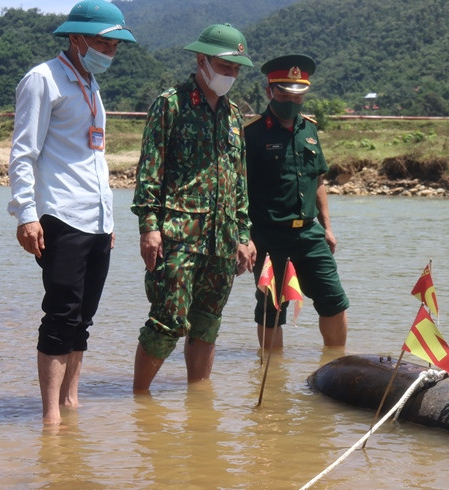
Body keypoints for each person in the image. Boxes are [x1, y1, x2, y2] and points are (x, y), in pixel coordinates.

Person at [7, 0, 136, 424]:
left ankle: (71, 402)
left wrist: (109, 220)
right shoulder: (43, 80)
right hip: (60, 216)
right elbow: (23, 154)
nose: (109, 52)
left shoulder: (91, 84)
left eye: (115, 45)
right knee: (61, 315)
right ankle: (50, 420)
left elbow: (92, 159)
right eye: (103, 42)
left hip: (96, 222)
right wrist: (26, 214)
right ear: (76, 38)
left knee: (84, 319)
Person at [130, 23, 256, 392]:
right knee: (167, 321)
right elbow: (149, 170)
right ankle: (141, 403)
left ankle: (198, 402)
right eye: (224, 66)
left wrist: (244, 235)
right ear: (201, 60)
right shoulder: (171, 105)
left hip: (222, 240)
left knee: (207, 323)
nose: (230, 75)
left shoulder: (233, 116)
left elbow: (239, 182)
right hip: (178, 238)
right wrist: (149, 227)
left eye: (235, 69)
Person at [245, 54, 349, 350]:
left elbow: (318, 182)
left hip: (310, 234)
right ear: (269, 91)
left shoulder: (310, 129)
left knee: (334, 299)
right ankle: (273, 379)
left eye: (298, 94)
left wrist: (327, 227)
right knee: (272, 308)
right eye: (284, 93)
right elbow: (239, 189)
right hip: (269, 236)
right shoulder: (251, 134)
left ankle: (335, 364)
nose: (292, 99)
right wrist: (246, 236)